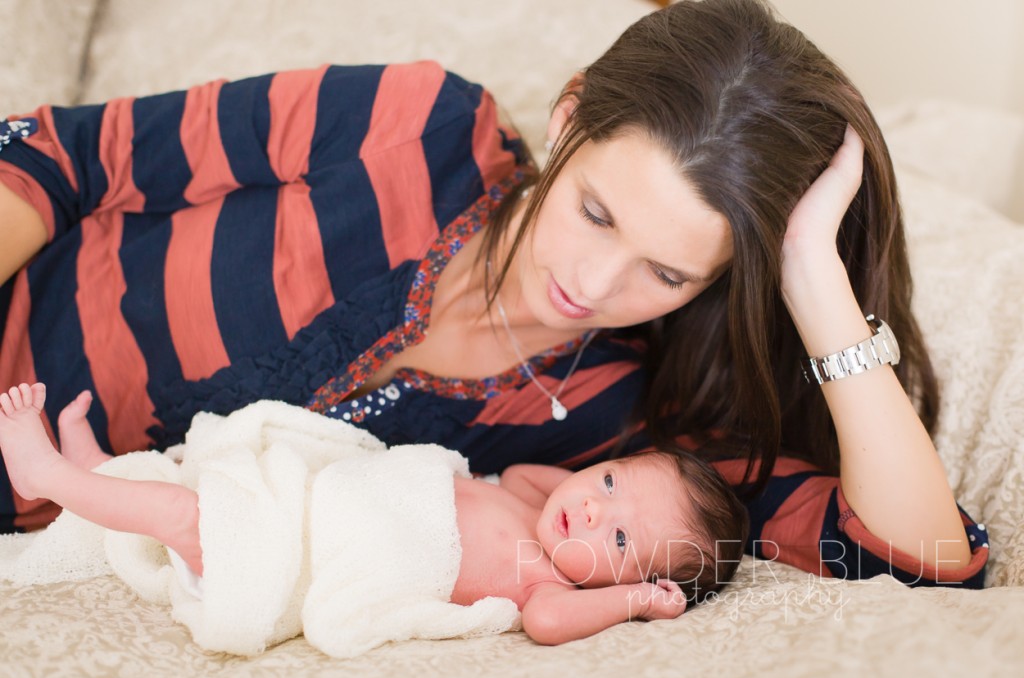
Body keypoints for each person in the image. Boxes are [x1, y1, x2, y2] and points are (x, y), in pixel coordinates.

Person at [0, 0, 989, 586]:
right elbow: (68, 152)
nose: (592, 287)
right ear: (568, 118)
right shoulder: (417, 126)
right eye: (597, 212)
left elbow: (913, 553)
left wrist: (812, 278)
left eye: (668, 270)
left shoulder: (627, 417)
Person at [0, 382, 749, 647]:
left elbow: (551, 628)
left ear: (618, 582)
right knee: (194, 476)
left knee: (184, 517)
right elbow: (528, 472)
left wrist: (633, 603)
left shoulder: (542, 584)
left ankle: (50, 478)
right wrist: (597, 495)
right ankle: (101, 470)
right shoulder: (535, 500)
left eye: (618, 536)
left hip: (294, 564)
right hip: (311, 505)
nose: (589, 507)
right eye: (610, 480)